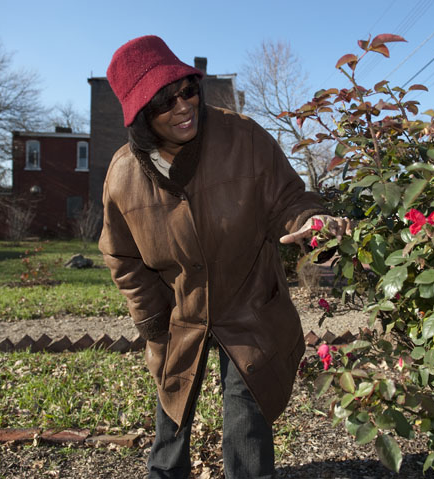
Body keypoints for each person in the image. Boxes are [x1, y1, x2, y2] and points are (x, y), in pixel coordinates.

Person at [99, 35, 345, 479]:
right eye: (164, 101)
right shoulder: (122, 175)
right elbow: (122, 255)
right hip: (179, 309)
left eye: (188, 90)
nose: (183, 106)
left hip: (249, 302)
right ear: (139, 116)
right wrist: (155, 323)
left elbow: (289, 200)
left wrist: (311, 222)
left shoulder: (244, 138)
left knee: (246, 418)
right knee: (171, 412)